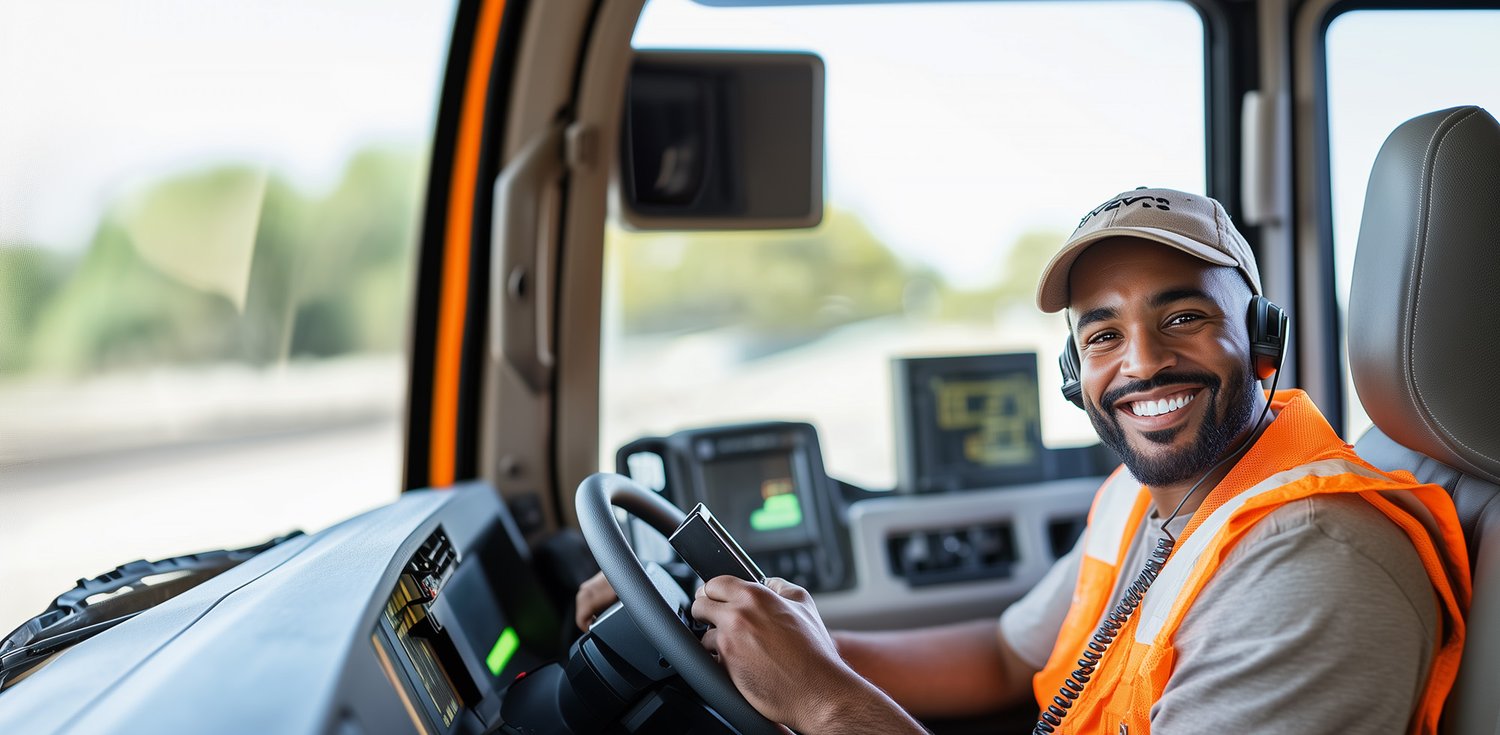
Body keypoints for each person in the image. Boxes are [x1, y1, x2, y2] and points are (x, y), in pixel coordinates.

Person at [575, 187, 1470, 734]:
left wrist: (825, 701)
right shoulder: (1147, 494)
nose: (1143, 361)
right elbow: (1007, 655)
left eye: (1184, 317)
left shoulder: (1317, 563)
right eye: (1104, 334)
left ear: (1263, 343)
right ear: (1076, 375)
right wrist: (778, 643)